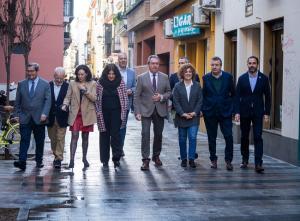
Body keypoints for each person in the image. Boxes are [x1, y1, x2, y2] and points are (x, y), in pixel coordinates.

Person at [134, 55, 171, 171]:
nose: (155, 65)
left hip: (160, 109)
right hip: (145, 110)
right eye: (153, 63)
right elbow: (137, 95)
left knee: (158, 134)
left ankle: (156, 156)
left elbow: (169, 92)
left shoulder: (165, 77)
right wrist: (137, 111)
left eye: (157, 64)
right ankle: (145, 159)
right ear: (148, 64)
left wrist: (161, 97)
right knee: (145, 134)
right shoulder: (141, 78)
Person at [234, 56, 271, 173]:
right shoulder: (242, 78)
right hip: (244, 112)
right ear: (247, 64)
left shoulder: (264, 78)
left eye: (254, 63)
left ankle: (258, 163)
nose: (252, 65)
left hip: (258, 112)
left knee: (258, 137)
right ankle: (245, 159)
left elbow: (268, 97)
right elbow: (236, 96)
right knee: (244, 137)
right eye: (250, 63)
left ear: (257, 65)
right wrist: (237, 112)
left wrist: (267, 112)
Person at [13, 62, 51, 171]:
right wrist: (16, 114)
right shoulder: (22, 84)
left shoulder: (45, 84)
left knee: (40, 140)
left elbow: (48, 101)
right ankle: (22, 162)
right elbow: (17, 101)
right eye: (28, 71)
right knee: (24, 140)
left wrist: (45, 113)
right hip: (25, 117)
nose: (30, 73)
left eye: (32, 71)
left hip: (40, 117)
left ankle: (39, 161)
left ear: (36, 71)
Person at [202, 56, 235, 171]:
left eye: (217, 65)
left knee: (229, 136)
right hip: (210, 113)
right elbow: (204, 95)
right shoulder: (205, 78)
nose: (214, 67)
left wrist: (233, 110)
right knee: (211, 137)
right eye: (212, 65)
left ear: (221, 66)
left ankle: (228, 160)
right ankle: (213, 160)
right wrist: (203, 109)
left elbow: (233, 94)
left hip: (225, 112)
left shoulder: (228, 77)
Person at [62, 65, 97, 169]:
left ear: (86, 74)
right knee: (74, 136)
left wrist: (85, 91)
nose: (80, 76)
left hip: (87, 114)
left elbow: (95, 98)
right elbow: (67, 97)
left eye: (82, 74)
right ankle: (72, 160)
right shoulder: (72, 83)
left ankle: (84, 158)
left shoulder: (93, 83)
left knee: (85, 137)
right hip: (75, 114)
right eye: (78, 74)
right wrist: (65, 104)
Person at [95, 64, 128, 168]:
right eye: (109, 73)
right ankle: (104, 160)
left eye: (113, 73)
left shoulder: (121, 82)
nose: (111, 76)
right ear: (106, 73)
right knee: (104, 134)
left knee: (115, 135)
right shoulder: (100, 83)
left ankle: (116, 158)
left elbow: (125, 98)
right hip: (103, 113)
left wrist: (125, 112)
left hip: (116, 113)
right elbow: (96, 98)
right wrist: (97, 111)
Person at [173, 63, 203, 168]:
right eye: (186, 72)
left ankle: (191, 159)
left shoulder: (197, 85)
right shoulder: (177, 86)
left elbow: (200, 100)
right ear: (182, 73)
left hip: (194, 117)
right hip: (182, 117)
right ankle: (183, 159)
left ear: (193, 73)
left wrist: (195, 112)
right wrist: (183, 113)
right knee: (182, 139)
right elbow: (175, 102)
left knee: (193, 137)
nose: (188, 73)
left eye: (190, 72)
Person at [47, 67, 69, 169]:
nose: (59, 80)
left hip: (62, 116)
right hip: (50, 116)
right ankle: (56, 155)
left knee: (60, 138)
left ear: (64, 77)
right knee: (53, 138)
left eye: (61, 78)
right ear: (54, 76)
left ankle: (58, 158)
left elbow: (71, 100)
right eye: (57, 78)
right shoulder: (48, 85)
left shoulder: (67, 86)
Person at [117, 52, 136, 157]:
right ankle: (116, 147)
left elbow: (135, 86)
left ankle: (120, 148)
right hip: (115, 104)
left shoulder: (132, 72)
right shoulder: (113, 71)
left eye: (125, 58)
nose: (123, 60)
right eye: (121, 59)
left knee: (123, 127)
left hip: (126, 104)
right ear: (118, 60)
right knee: (115, 127)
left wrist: (131, 91)